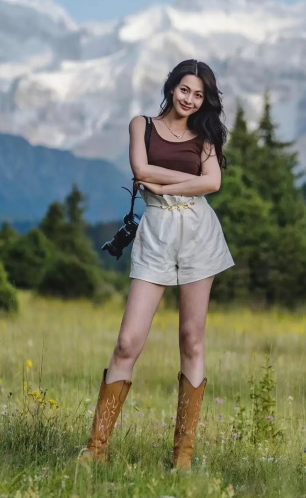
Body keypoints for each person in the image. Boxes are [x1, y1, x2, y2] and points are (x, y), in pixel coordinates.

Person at [80, 59, 234, 469]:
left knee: (192, 340)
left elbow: (212, 183)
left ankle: (182, 457)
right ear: (171, 87)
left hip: (199, 232)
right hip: (157, 231)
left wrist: (161, 182)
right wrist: (183, 180)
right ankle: (95, 450)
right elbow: (140, 169)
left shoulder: (205, 136)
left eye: (199, 95)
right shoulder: (142, 125)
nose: (190, 99)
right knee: (128, 341)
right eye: (185, 90)